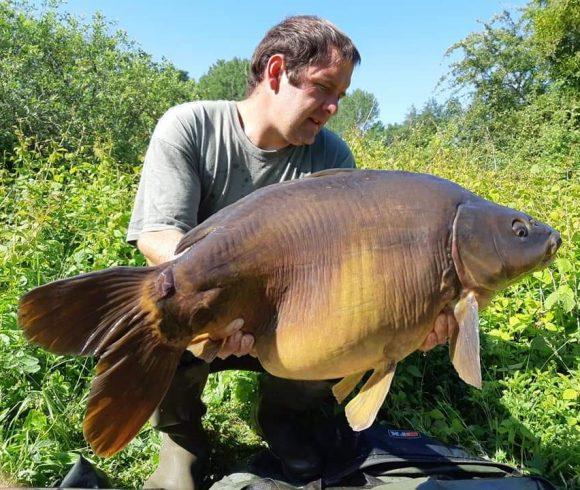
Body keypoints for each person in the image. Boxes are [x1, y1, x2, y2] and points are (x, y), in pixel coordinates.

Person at [126, 15, 457, 490]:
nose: (333, 108)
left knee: (347, 323)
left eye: (341, 96)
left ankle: (286, 421)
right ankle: (182, 440)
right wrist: (224, 295)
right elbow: (156, 235)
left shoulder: (333, 158)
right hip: (211, 306)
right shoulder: (192, 126)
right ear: (277, 72)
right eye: (324, 89)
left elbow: (352, 267)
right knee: (156, 309)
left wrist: (409, 319)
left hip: (294, 314)